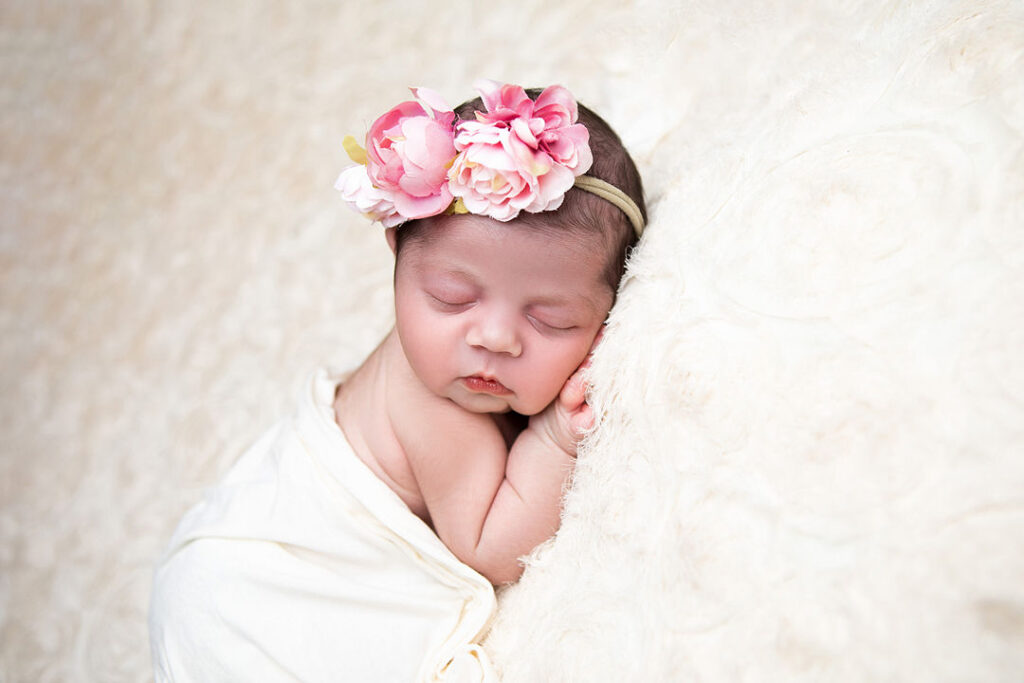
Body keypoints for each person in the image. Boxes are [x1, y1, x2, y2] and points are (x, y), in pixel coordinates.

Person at [150, 80, 646, 683]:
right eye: (451, 297)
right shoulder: (434, 403)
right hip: (250, 593)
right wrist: (554, 440)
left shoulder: (455, 355)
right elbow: (489, 548)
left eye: (551, 320)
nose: (494, 338)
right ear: (397, 254)